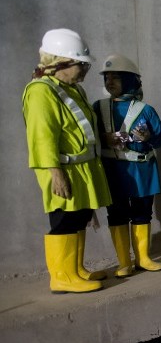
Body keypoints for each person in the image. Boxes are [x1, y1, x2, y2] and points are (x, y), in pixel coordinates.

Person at [23, 28, 112, 293]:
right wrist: (55, 172)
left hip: (84, 168)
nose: (84, 71)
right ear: (60, 62)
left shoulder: (74, 90)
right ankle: (61, 276)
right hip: (63, 168)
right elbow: (41, 135)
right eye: (80, 65)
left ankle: (76, 270)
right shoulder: (41, 91)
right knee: (63, 219)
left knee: (79, 216)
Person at [94, 54, 161, 277]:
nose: (110, 82)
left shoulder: (145, 109)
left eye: (116, 77)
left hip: (142, 170)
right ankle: (124, 262)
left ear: (130, 80)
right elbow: (88, 137)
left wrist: (147, 139)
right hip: (113, 169)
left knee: (142, 213)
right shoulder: (98, 107)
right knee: (116, 214)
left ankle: (143, 258)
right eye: (107, 78)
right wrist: (103, 138)